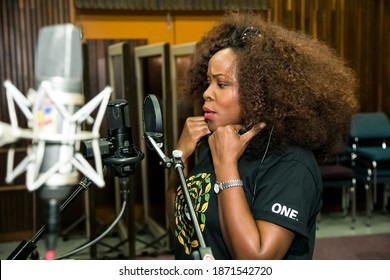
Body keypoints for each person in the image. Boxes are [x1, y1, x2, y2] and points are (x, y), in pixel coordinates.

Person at [166, 10, 359, 260]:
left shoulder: (292, 164)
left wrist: (226, 167)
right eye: (207, 82)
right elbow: (180, 226)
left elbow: (256, 260)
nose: (206, 93)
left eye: (221, 84)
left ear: (258, 92)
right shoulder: (210, 143)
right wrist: (179, 159)